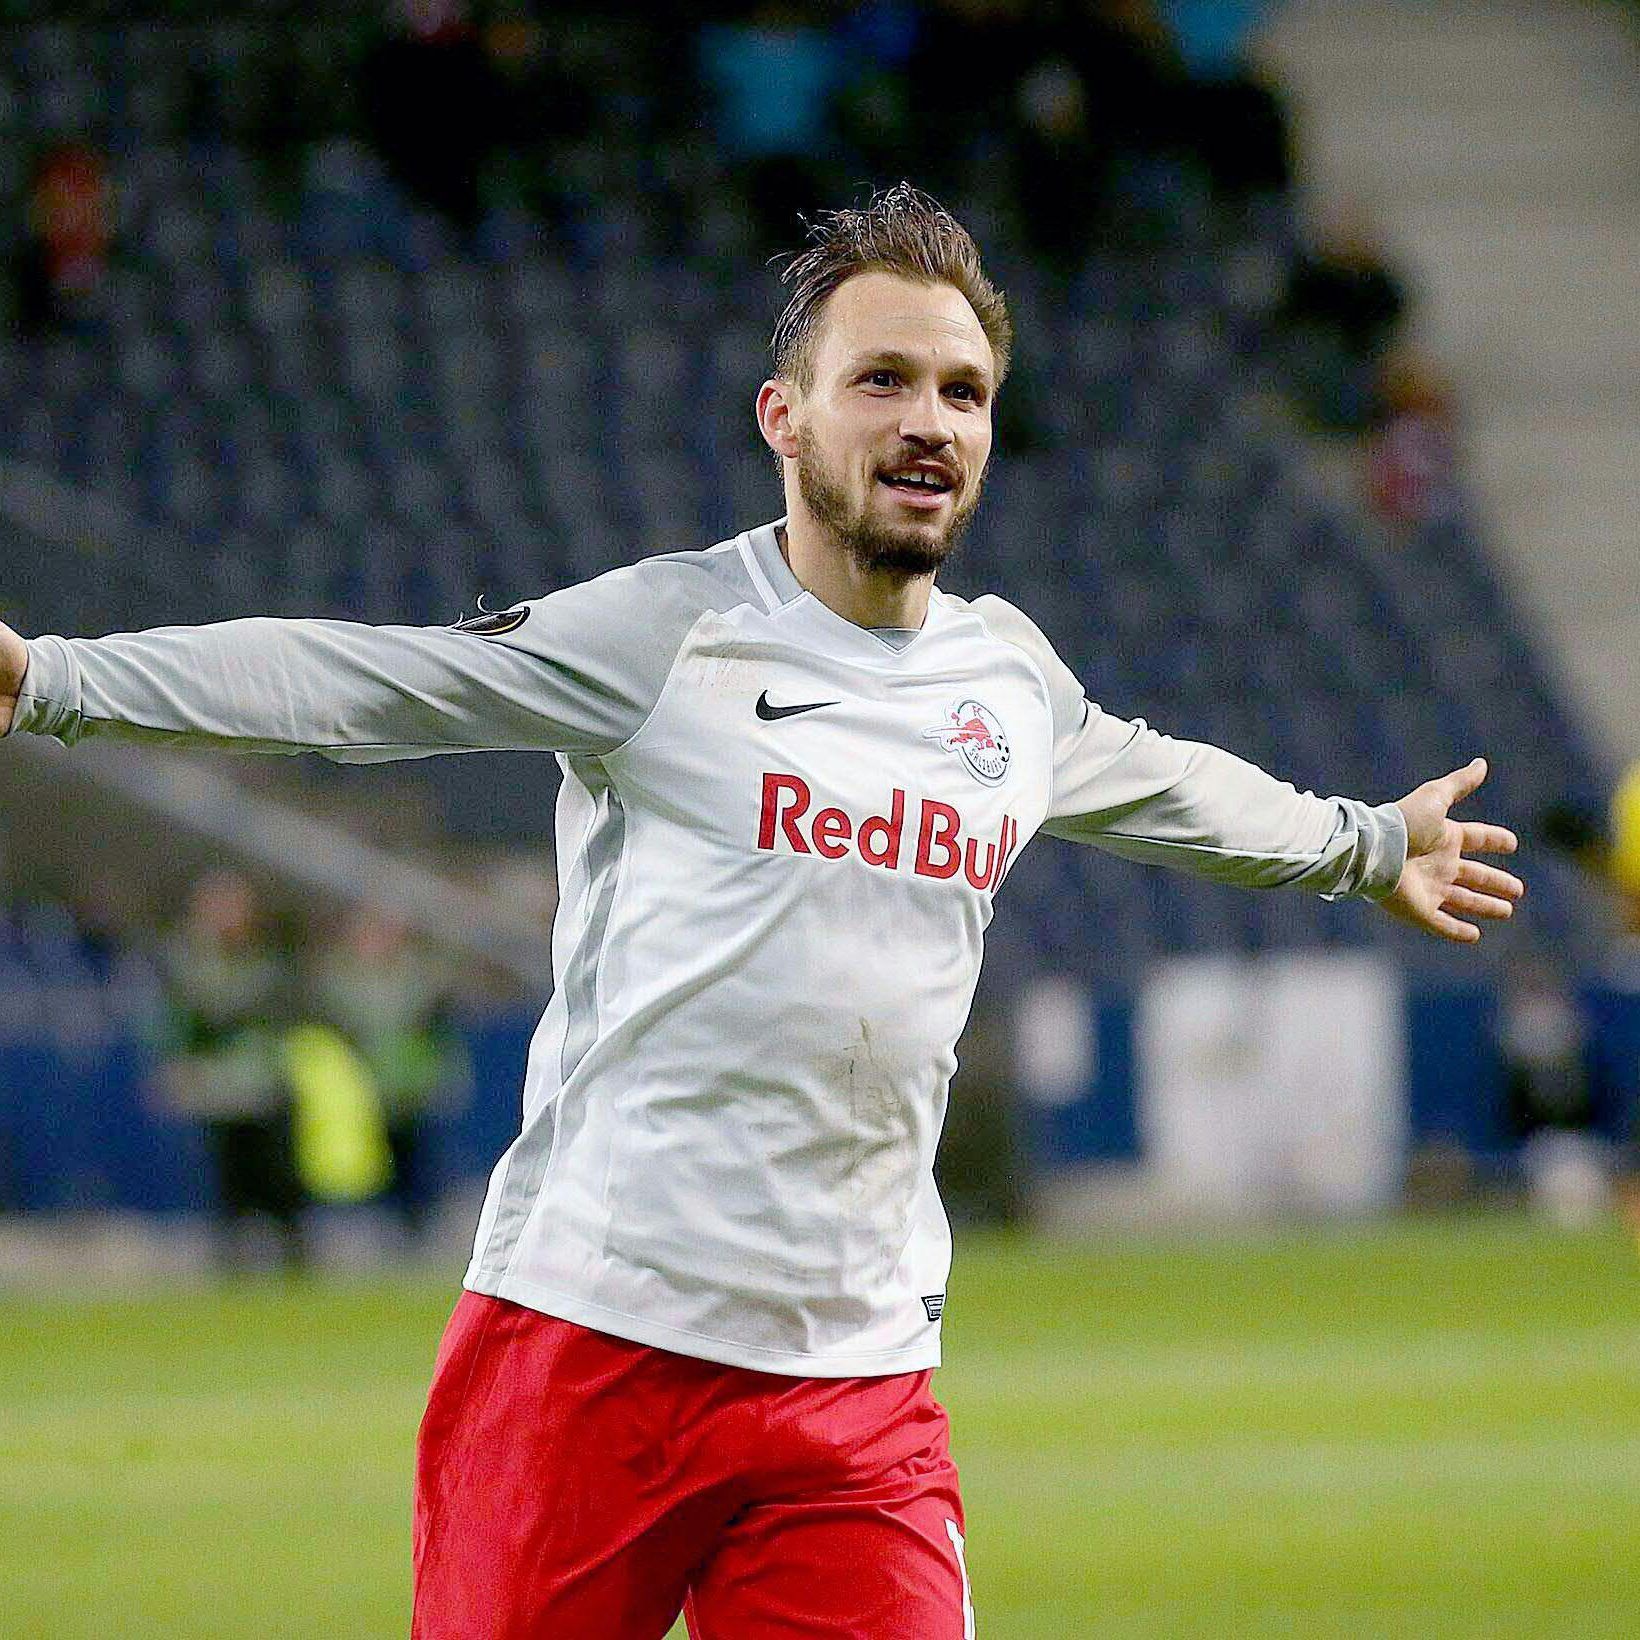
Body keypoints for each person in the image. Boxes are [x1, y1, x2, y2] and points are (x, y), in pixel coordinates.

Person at [0, 184, 1522, 1638]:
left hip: (856, 1384)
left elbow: (1170, 785)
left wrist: (1360, 843)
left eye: (965, 391)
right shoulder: (668, 636)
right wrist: (53, 682)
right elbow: (365, 683)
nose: (931, 421)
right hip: (588, 1345)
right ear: (783, 418)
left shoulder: (1007, 682)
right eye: (884, 381)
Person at [156, 871, 308, 1275]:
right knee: (227, 1180)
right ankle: (232, 1257)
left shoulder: (269, 957)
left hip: (264, 1086)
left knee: (278, 1177)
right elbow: (181, 1022)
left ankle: (293, 1253)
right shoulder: (187, 961)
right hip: (218, 1090)